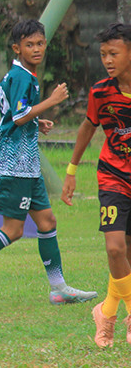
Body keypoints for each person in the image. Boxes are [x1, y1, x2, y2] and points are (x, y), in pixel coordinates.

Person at [0, 19, 96, 307]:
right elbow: (17, 116)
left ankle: (59, 288)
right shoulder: (24, 77)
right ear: (17, 48)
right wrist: (50, 102)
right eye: (29, 45)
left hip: (27, 163)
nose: (36, 49)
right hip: (15, 162)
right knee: (13, 230)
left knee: (47, 221)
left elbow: (0, 102)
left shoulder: (17, 74)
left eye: (40, 43)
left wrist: (36, 121)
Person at [62, 22, 131, 347]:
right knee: (115, 247)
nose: (107, 60)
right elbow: (87, 129)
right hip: (112, 178)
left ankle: (105, 313)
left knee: (126, 256)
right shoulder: (100, 92)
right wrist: (72, 171)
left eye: (113, 53)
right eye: (103, 54)